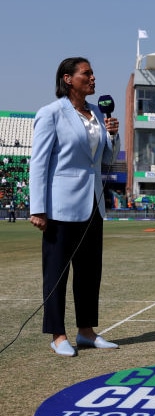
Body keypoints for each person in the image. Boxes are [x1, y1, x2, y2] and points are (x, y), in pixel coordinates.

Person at [29, 57, 120, 357]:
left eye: (93, 73)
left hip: (93, 203)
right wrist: (38, 208)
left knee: (89, 271)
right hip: (60, 207)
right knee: (56, 272)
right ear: (68, 79)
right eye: (87, 74)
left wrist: (113, 134)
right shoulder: (51, 114)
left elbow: (106, 160)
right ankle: (58, 335)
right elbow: (39, 163)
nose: (93, 78)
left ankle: (86, 332)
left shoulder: (96, 113)